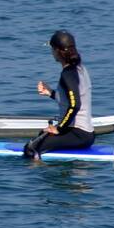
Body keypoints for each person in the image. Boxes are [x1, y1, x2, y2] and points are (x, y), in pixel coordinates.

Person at [25, 29, 93, 158]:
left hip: (77, 134)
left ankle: (43, 171)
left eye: (52, 49)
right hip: (85, 134)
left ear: (57, 51)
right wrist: (51, 93)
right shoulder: (81, 68)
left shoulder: (68, 74)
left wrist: (59, 129)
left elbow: (75, 105)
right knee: (42, 134)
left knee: (30, 149)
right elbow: (74, 99)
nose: (51, 53)